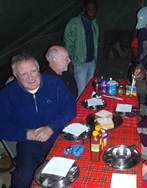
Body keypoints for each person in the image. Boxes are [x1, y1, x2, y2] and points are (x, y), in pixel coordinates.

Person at [0, 53, 76, 188]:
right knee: (23, 177)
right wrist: (26, 133)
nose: (30, 77)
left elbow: (70, 108)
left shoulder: (55, 83)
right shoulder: (7, 95)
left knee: (73, 171)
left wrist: (51, 127)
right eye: (23, 73)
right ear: (15, 75)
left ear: (39, 69)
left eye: (33, 71)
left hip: (58, 136)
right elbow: (2, 126)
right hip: (29, 144)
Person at [64, 0, 99, 97]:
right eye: (90, 10)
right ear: (84, 9)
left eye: (95, 10)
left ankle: (87, 112)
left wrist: (95, 62)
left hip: (91, 62)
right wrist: (70, 62)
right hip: (79, 63)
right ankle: (79, 112)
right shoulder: (74, 23)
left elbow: (94, 45)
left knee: (89, 90)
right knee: (82, 92)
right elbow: (68, 43)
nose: (93, 12)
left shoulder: (94, 24)